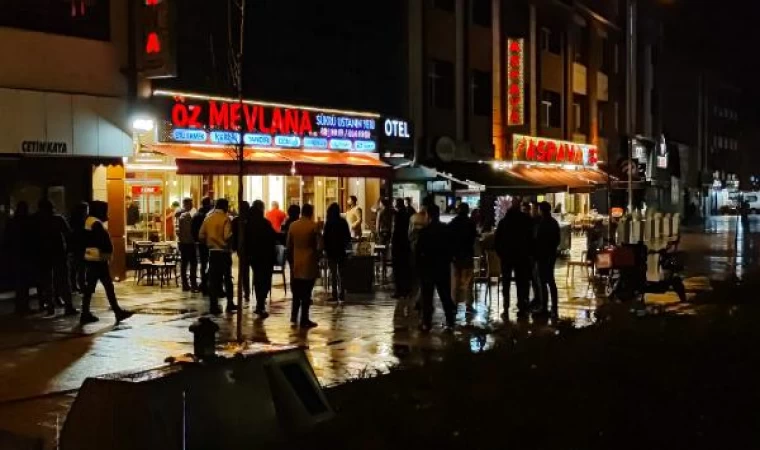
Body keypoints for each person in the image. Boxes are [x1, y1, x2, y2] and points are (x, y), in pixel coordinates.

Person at [80, 201, 133, 324]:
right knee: (106, 286)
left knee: (94, 287)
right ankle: (116, 312)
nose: (106, 213)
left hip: (93, 258)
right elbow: (102, 241)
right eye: (104, 210)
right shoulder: (95, 223)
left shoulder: (90, 221)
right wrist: (107, 253)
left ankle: (86, 313)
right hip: (98, 259)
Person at [416, 204, 456, 332]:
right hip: (442, 267)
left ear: (428, 215)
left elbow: (418, 252)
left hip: (427, 268)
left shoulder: (424, 232)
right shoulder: (446, 230)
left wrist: (419, 267)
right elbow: (451, 248)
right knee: (445, 295)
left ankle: (426, 323)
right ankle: (450, 321)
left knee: (427, 297)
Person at [35, 199, 77, 316]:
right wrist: (69, 249)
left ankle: (50, 306)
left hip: (44, 254)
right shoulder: (58, 219)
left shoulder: (38, 221)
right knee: (63, 280)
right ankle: (68, 306)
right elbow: (68, 234)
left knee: (47, 281)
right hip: (58, 253)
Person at [495, 198, 535, 319]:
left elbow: (497, 241)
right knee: (521, 282)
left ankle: (506, 306)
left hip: (507, 256)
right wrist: (529, 253)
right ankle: (521, 305)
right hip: (522, 256)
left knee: (506, 281)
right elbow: (531, 238)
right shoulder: (526, 220)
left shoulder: (503, 222)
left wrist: (501, 253)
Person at [199, 198, 237, 315]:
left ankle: (213, 305)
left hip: (212, 253)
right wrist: (230, 245)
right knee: (227, 278)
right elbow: (227, 236)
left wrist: (209, 242)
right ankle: (230, 303)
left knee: (213, 280)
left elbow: (201, 236)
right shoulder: (225, 219)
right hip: (224, 252)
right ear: (225, 207)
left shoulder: (208, 218)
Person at [286, 203, 320, 328]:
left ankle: (294, 315)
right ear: (310, 212)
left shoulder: (293, 226)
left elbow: (289, 245)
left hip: (296, 262)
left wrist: (291, 260)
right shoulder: (313, 226)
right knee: (306, 291)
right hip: (309, 262)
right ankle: (304, 318)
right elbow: (319, 245)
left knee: (296, 291)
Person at [247, 200, 277, 317]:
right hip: (265, 256)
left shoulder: (248, 223)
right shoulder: (265, 223)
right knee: (264, 280)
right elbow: (273, 237)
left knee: (258, 278)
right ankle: (260, 303)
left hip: (253, 256)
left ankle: (259, 303)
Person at [449, 202, 478, 314]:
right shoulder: (470, 223)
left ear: (458, 210)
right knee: (468, 282)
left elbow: (449, 238)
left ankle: (454, 305)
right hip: (467, 255)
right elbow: (474, 237)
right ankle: (469, 305)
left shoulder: (453, 223)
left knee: (455, 282)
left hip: (455, 256)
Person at [6, 202, 34, 314]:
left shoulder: (12, 222)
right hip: (25, 254)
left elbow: (7, 239)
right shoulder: (28, 222)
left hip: (17, 255)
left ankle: (19, 306)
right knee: (24, 283)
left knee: (19, 283)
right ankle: (24, 306)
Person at [535, 201, 560, 319]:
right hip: (551, 255)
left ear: (541, 210)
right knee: (550, 281)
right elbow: (557, 240)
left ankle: (544, 307)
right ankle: (554, 307)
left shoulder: (542, 223)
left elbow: (538, 240)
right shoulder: (554, 223)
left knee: (543, 281)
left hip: (543, 256)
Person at [323, 202, 351, 302]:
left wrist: (325, 249)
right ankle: (342, 293)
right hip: (341, 250)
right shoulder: (343, 222)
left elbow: (325, 237)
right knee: (341, 273)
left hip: (331, 251)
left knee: (333, 273)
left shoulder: (328, 223)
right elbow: (348, 236)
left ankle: (334, 294)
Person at [391, 198, 412, 298]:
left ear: (397, 204)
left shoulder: (397, 215)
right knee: (404, 268)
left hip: (398, 245)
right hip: (405, 244)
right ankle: (406, 290)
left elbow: (395, 230)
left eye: (394, 201)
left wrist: (392, 242)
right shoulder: (406, 214)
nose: (392, 202)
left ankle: (399, 291)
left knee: (398, 269)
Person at [176, 198, 198, 292]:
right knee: (193, 264)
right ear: (187, 204)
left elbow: (178, 231)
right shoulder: (189, 216)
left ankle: (185, 284)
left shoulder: (180, 216)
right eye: (190, 203)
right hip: (190, 243)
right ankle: (193, 284)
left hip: (183, 243)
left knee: (184, 264)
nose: (192, 205)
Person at [231, 201, 251, 302]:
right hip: (249, 248)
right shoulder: (251, 220)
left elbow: (233, 235)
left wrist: (234, 247)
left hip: (241, 248)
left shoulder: (236, 220)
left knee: (244, 271)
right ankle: (246, 291)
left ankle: (246, 291)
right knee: (245, 271)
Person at [192, 197, 212, 294]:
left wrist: (196, 240)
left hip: (200, 243)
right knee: (211, 263)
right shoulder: (209, 215)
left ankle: (204, 282)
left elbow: (193, 229)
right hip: (210, 243)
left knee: (203, 264)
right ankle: (207, 282)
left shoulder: (196, 215)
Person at [68, 202, 89, 294]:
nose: (87, 211)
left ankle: (75, 285)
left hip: (77, 246)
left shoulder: (73, 220)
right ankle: (81, 285)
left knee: (76, 268)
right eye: (86, 209)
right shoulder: (80, 221)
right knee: (81, 267)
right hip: (79, 246)